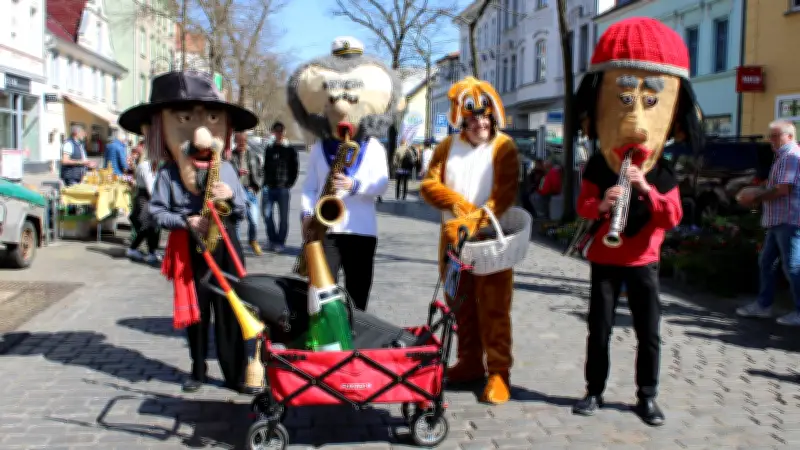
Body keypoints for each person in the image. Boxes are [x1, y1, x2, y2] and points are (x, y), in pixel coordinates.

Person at [570, 17, 704, 426]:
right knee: (599, 329)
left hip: (643, 261)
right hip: (605, 258)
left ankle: (647, 396)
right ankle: (594, 391)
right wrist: (603, 205)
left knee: (649, 333)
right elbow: (583, 207)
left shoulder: (662, 172)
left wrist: (645, 188)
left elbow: (672, 216)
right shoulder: (599, 165)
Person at [119, 70, 259, 394]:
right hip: (191, 247)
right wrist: (187, 221)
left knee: (230, 310)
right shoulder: (169, 173)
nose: (201, 138)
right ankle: (197, 369)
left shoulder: (226, 168)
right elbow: (156, 212)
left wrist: (230, 196)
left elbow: (241, 211)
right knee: (197, 312)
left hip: (225, 244)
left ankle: (235, 373)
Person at [420, 76, 520, 405]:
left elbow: (503, 195)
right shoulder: (447, 147)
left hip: (491, 242)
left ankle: (499, 371)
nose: (480, 123)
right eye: (473, 118)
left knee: (494, 308)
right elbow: (428, 184)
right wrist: (454, 202)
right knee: (459, 305)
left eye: (485, 117)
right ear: (463, 119)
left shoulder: (504, 147)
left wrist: (472, 220)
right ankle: (469, 362)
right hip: (452, 242)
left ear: (493, 117)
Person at [287, 36, 401, 311]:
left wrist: (354, 185)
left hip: (361, 229)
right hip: (326, 229)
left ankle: (355, 333)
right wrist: (306, 214)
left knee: (358, 294)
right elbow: (310, 187)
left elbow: (382, 184)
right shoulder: (319, 147)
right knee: (323, 292)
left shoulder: (373, 147)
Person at [736, 120, 800, 326]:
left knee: (792, 266)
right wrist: (757, 190)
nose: (770, 140)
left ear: (789, 136)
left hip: (789, 219)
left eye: (775, 135)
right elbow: (776, 185)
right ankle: (764, 305)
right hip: (778, 220)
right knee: (767, 263)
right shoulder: (783, 157)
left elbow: (783, 189)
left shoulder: (791, 156)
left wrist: (755, 197)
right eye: (770, 135)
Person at [261, 121, 298, 253]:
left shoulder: (290, 149)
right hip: (269, 187)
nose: (278, 133)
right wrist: (264, 182)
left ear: (284, 132)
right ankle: (272, 239)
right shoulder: (269, 149)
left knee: (283, 218)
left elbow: (295, 168)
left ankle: (280, 242)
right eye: (276, 131)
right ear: (273, 132)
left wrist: (289, 184)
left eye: (281, 131)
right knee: (266, 215)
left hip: (283, 188)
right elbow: (265, 167)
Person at [231, 132, 264, 255]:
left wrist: (256, 187)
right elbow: (226, 173)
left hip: (249, 190)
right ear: (235, 142)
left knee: (254, 220)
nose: (242, 144)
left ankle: (252, 240)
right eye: (239, 141)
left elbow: (261, 172)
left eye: (244, 141)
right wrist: (237, 172)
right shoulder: (230, 157)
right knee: (237, 222)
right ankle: (236, 246)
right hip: (236, 192)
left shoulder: (253, 155)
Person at [126, 154, 160, 264]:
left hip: (147, 197)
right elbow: (150, 187)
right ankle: (136, 249)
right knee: (147, 225)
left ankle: (151, 251)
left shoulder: (152, 165)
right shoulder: (146, 166)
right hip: (145, 198)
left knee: (151, 226)